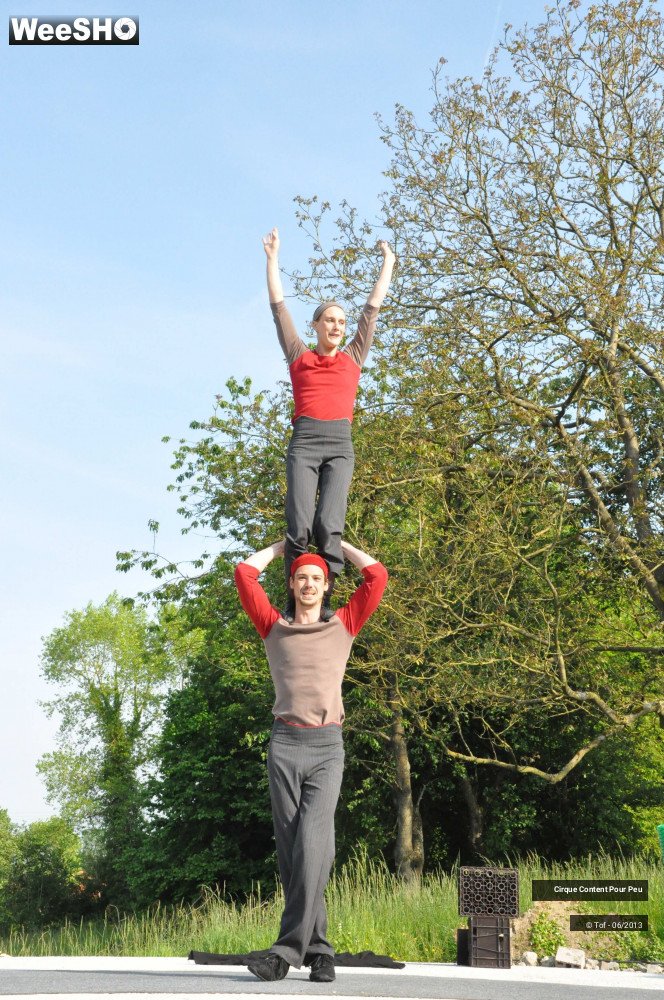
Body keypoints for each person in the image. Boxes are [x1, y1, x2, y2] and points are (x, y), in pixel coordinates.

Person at [234, 538, 388, 982]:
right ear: (292, 584)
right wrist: (284, 546)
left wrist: (338, 544)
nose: (308, 583)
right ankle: (320, 951)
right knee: (292, 855)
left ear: (327, 587)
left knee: (314, 845)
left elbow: (376, 576)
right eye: (301, 577)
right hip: (284, 745)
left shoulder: (344, 624)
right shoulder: (272, 625)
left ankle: (283, 953)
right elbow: (245, 574)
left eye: (317, 578)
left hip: (326, 748)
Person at [262, 227, 395, 618]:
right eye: (329, 320)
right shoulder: (298, 356)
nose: (337, 326)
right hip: (304, 442)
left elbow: (371, 309)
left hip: (340, 443)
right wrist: (272, 259)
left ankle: (325, 605)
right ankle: (293, 605)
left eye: (341, 321)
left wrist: (388, 262)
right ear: (316, 326)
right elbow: (279, 308)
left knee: (328, 525)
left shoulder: (353, 356)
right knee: (299, 525)